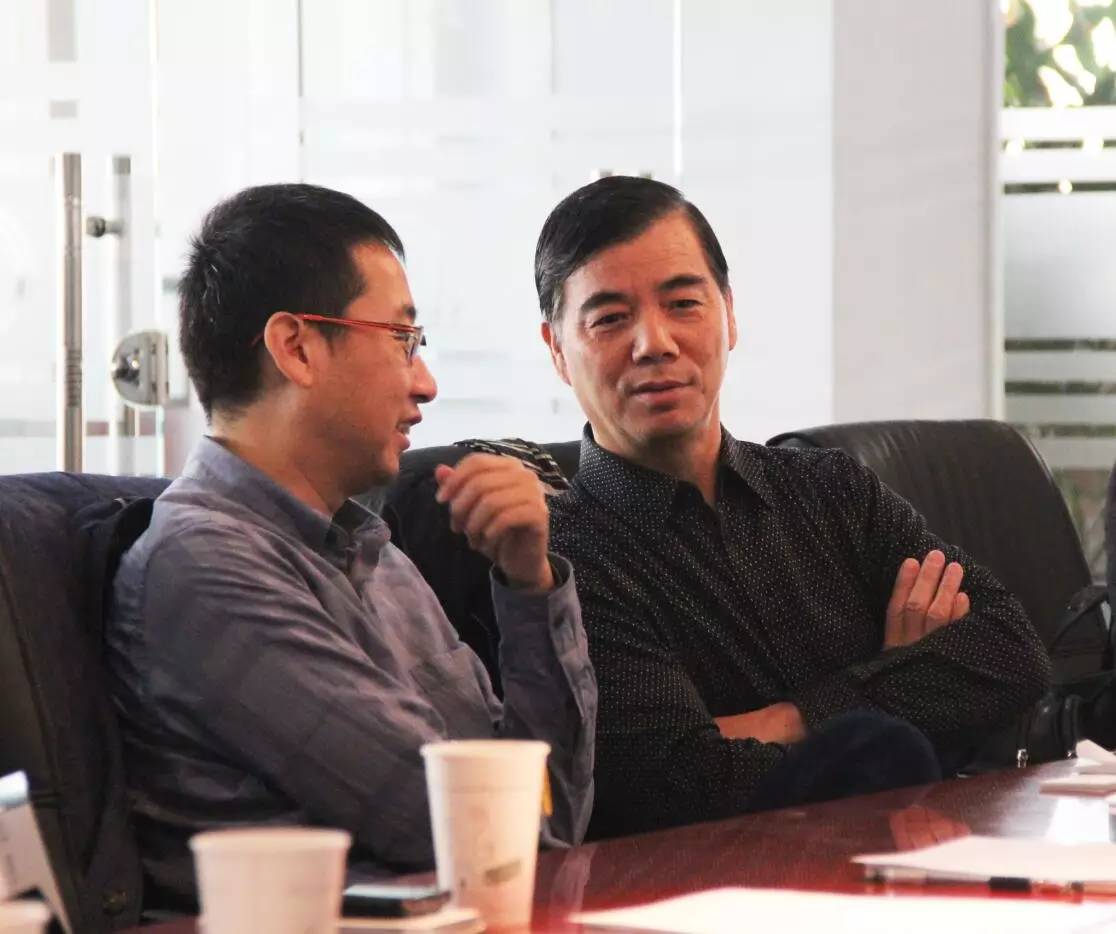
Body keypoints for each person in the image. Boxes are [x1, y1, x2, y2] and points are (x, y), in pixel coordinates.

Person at [105, 183, 596, 902]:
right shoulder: (203, 566)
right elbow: (469, 835)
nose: (426, 383)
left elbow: (551, 814)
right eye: (402, 340)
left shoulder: (373, 551)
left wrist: (530, 585)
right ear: (296, 348)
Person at [534, 175, 1050, 838]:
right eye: (610, 318)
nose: (654, 342)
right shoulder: (563, 559)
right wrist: (894, 688)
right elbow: (675, 781)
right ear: (557, 349)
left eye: (683, 303)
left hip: (916, 857)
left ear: (729, 314)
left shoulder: (832, 489)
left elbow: (1013, 651)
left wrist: (785, 721)